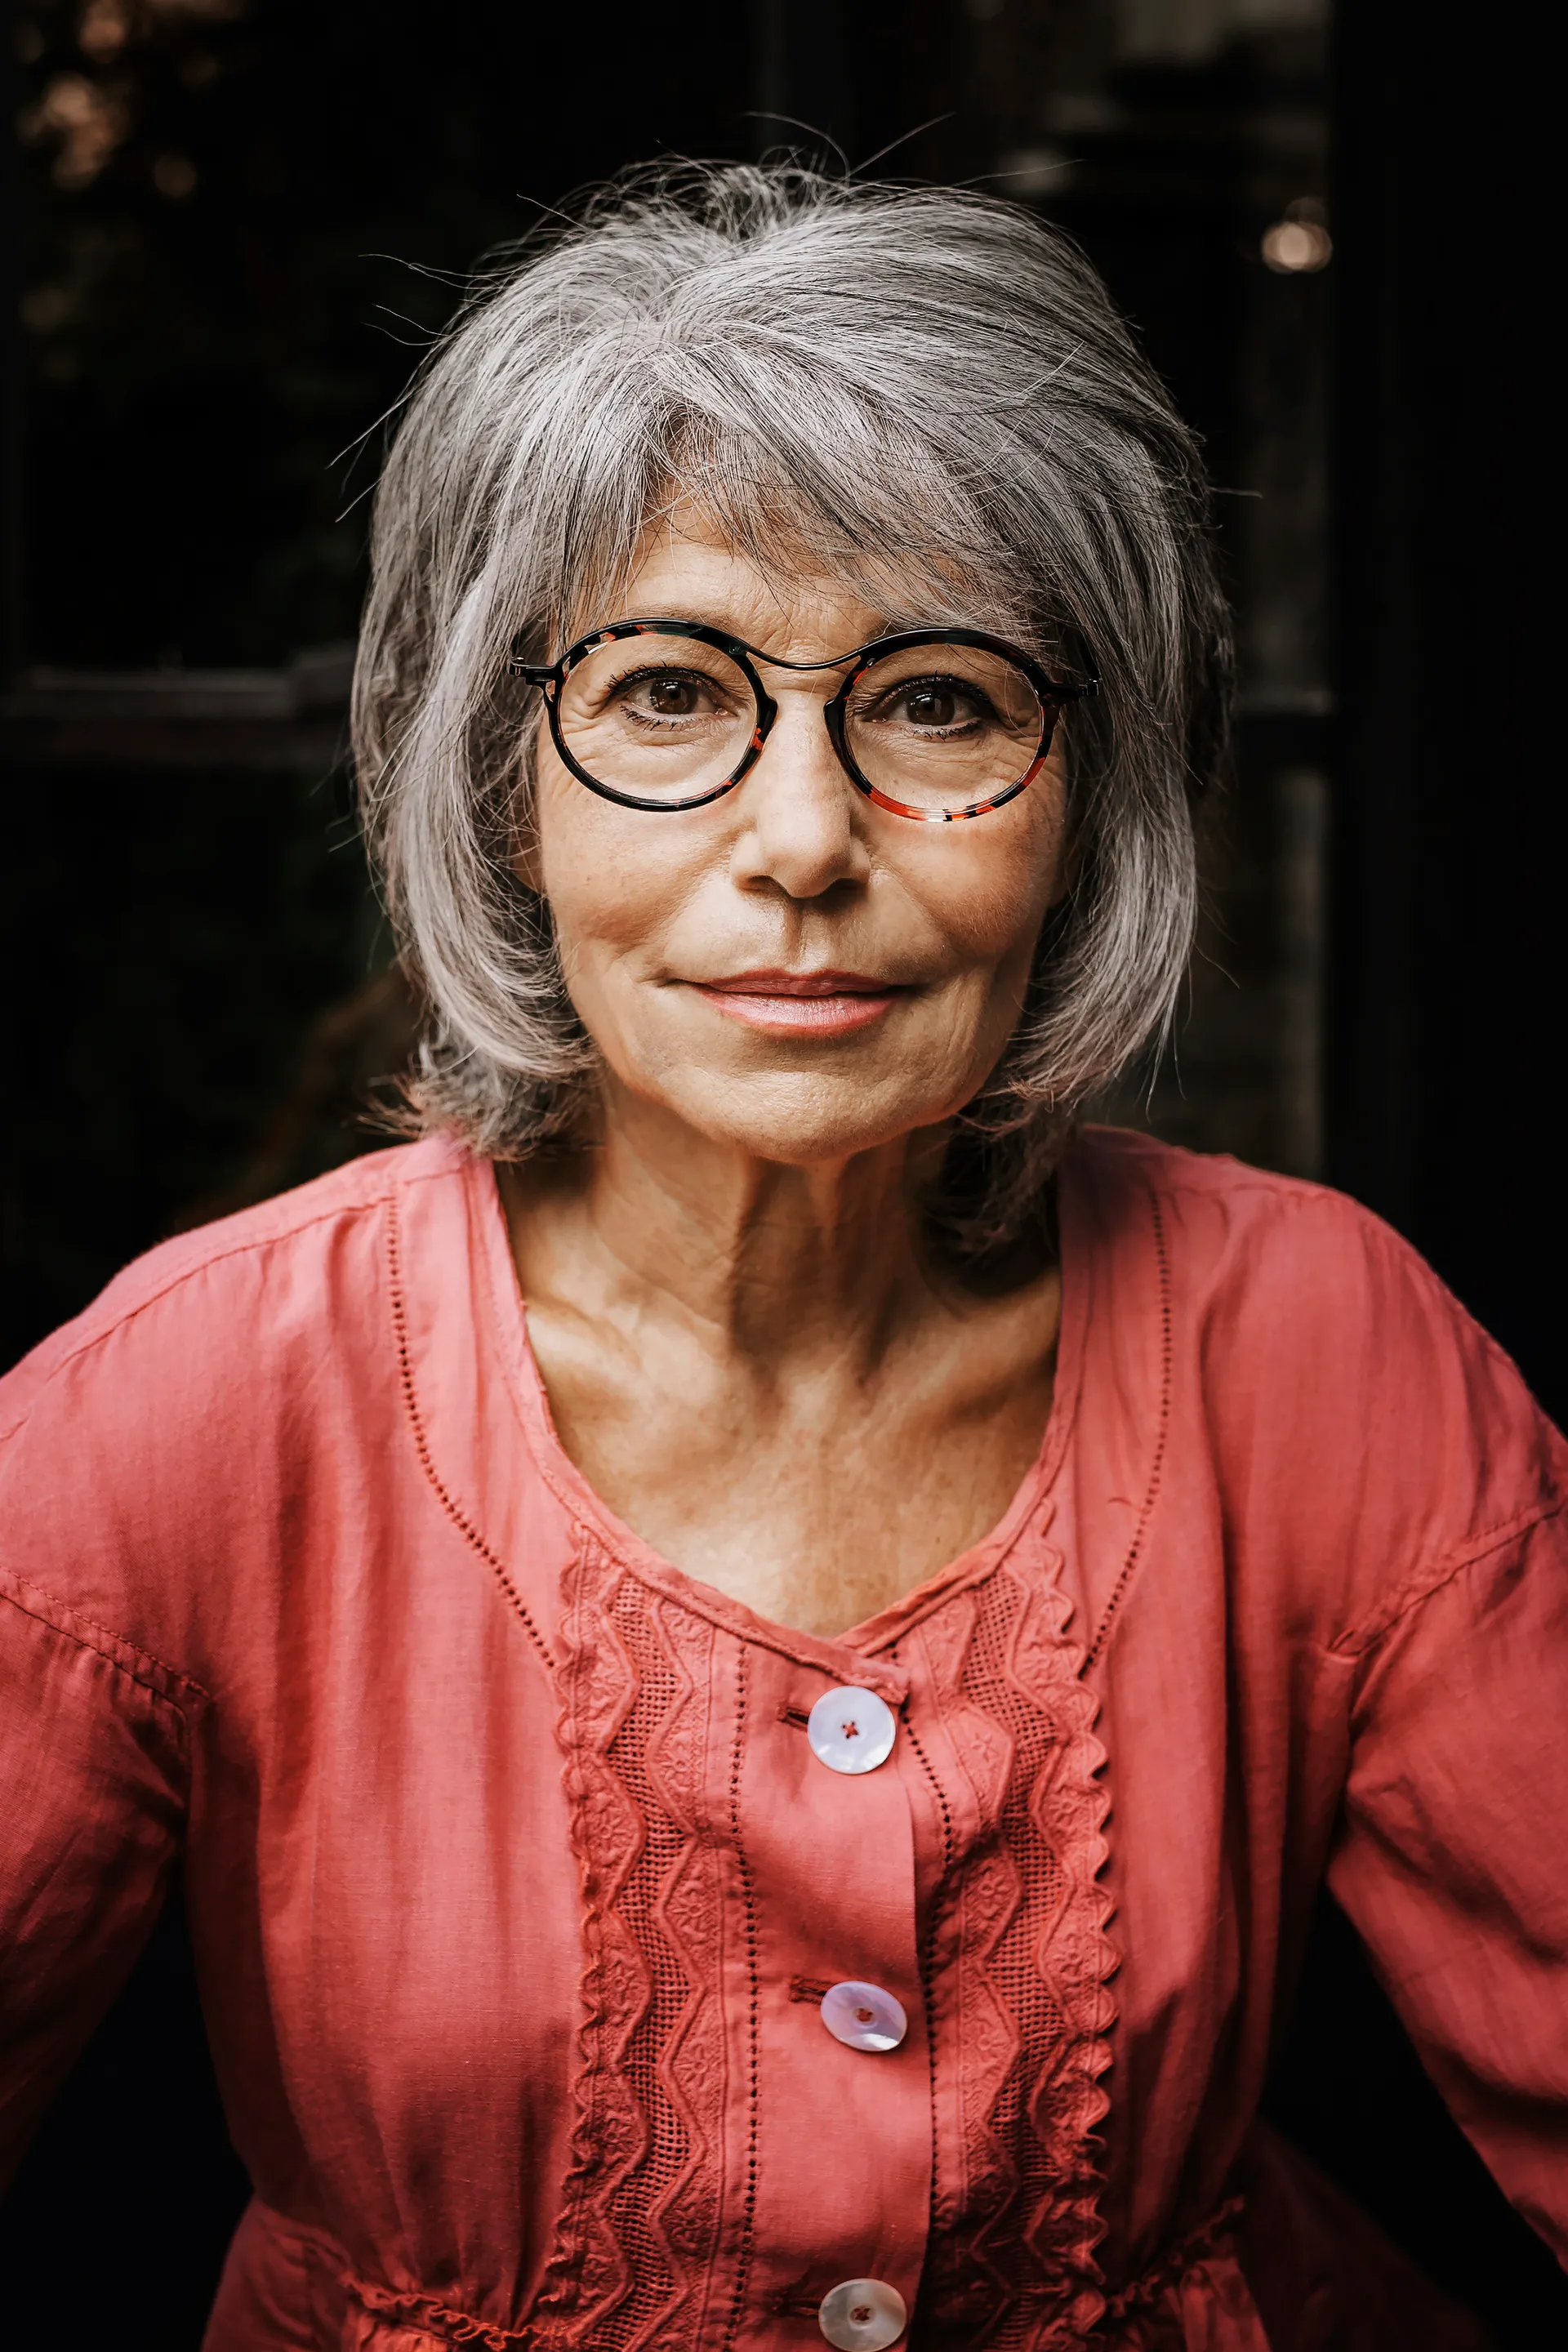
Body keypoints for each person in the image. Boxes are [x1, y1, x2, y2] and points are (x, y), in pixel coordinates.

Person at [1, 164, 1563, 2352]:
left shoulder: (1326, 1345)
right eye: (663, 694)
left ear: (1088, 789)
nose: (805, 842)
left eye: (939, 702)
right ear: (493, 790)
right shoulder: (184, 1399)